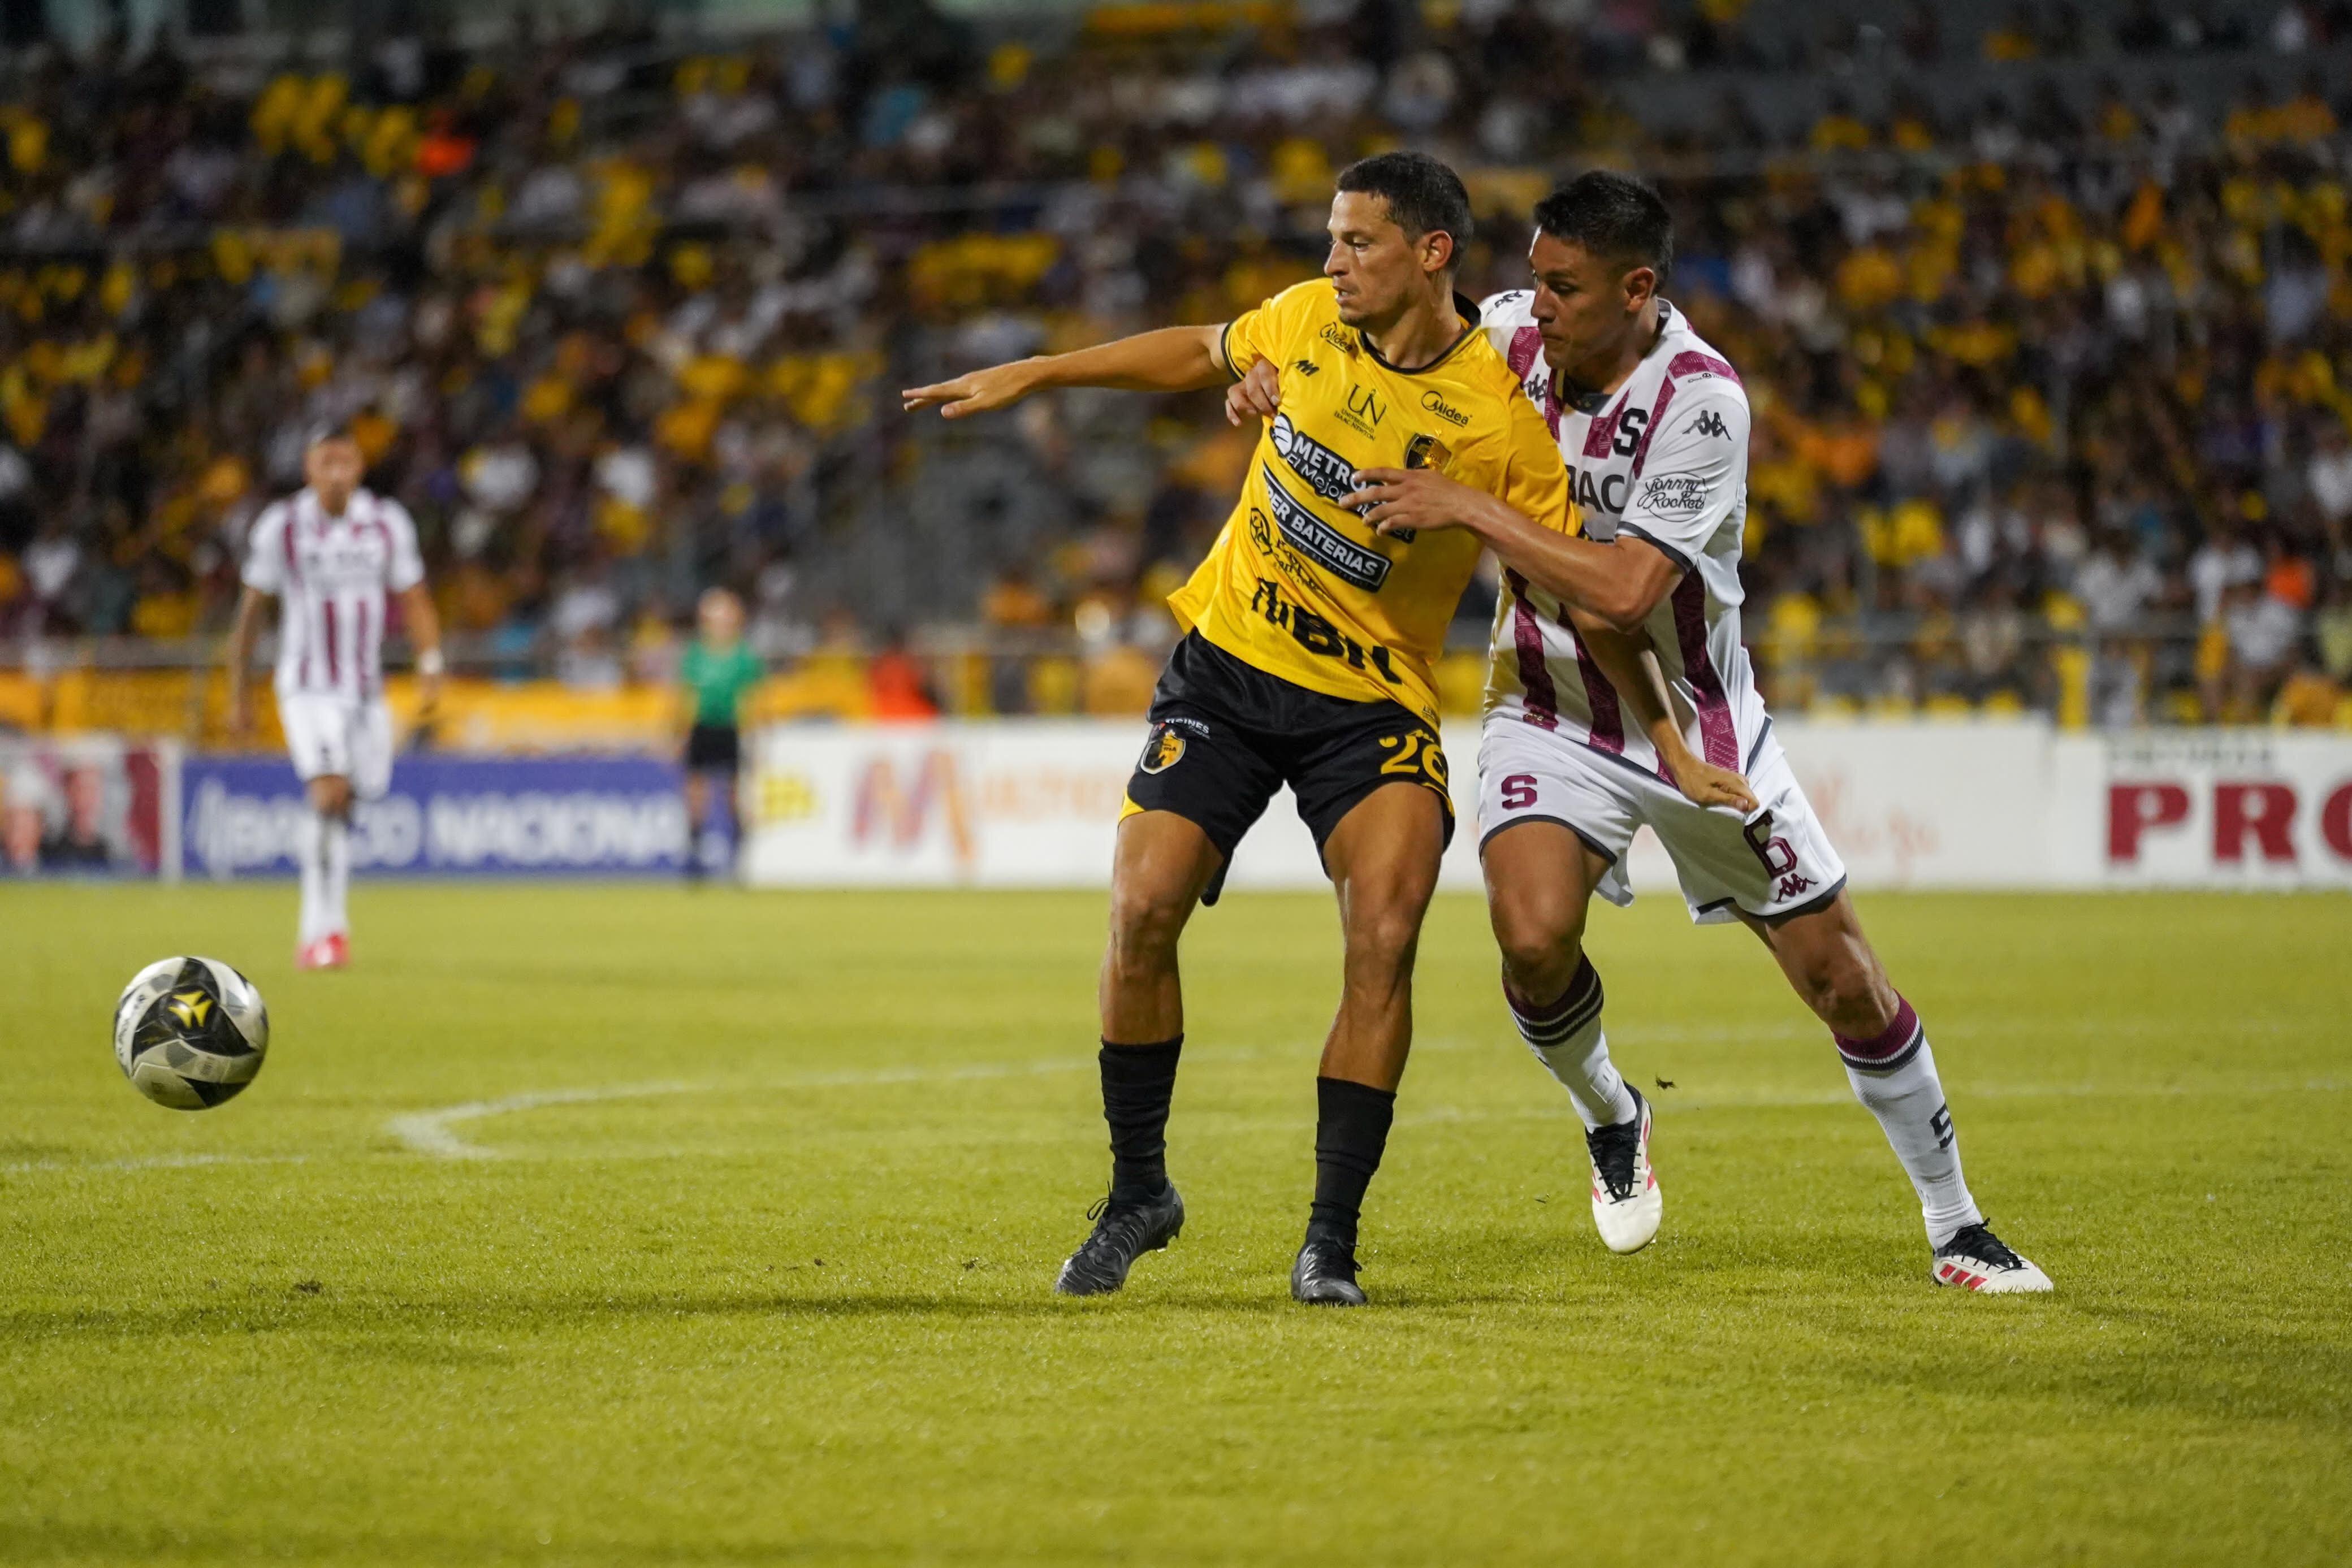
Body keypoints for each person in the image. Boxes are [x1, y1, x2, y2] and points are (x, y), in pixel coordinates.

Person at [906, 153, 1745, 1307]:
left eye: (1356, 242)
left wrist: (1672, 741)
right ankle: (1138, 1192)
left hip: (1371, 709)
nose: (1330, 262)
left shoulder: (1499, 425)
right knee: (1142, 907)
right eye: (1332, 240)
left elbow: (1589, 604)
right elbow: (1202, 347)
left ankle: (1329, 1243)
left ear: (1431, 253)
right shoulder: (1303, 323)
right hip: (1229, 669)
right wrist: (1044, 372)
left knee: (1384, 935)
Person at [1234, 171, 2050, 1293]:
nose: (1536, 303)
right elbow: (1368, 343)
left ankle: (1956, 1223)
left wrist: (1472, 508)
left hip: (1700, 723)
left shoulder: (1701, 401)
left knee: (1843, 979)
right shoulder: (1509, 338)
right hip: (1544, 700)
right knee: (1530, 938)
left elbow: (1625, 594)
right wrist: (1265, 378)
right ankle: (1610, 1114)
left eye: (1563, 286)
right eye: (1531, 276)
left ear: (1637, 288)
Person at [226, 426, 442, 969]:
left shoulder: (387, 524)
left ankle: (327, 930)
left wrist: (431, 666)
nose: (337, 473)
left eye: (346, 462)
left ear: (360, 467)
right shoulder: (284, 527)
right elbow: (253, 610)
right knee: (329, 792)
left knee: (353, 798)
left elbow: (414, 598)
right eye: (327, 462)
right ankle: (322, 932)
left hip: (366, 691)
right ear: (309, 469)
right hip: (306, 686)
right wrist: (237, 688)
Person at [678, 587, 763, 881]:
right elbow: (686, 697)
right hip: (702, 728)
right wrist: (678, 734)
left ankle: (738, 860)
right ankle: (695, 858)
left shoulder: (743, 657)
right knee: (696, 793)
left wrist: (755, 737)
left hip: (730, 728)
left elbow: (752, 701)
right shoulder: (696, 653)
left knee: (733, 795)